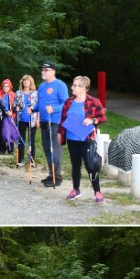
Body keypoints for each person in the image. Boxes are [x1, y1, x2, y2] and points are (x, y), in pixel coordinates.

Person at [57, 75, 108, 203]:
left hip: (87, 139)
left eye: (75, 85)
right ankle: (75, 190)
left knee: (90, 165)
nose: (72, 87)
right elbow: (63, 120)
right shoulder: (68, 102)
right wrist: (60, 134)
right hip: (71, 139)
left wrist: (92, 120)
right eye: (73, 85)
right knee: (75, 165)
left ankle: (97, 191)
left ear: (84, 88)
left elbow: (102, 118)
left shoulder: (93, 101)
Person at [35, 62, 69, 186]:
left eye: (46, 70)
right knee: (47, 149)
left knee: (55, 149)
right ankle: (51, 175)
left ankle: (57, 177)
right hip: (44, 121)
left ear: (53, 71)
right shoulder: (42, 86)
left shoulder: (60, 85)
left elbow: (65, 103)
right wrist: (33, 109)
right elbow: (40, 103)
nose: (43, 72)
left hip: (55, 122)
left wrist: (53, 109)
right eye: (42, 70)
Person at [13, 75, 38, 167]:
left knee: (31, 140)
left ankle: (32, 160)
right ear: (22, 82)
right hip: (21, 119)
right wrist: (16, 107)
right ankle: (20, 160)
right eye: (24, 81)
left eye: (28, 81)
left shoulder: (35, 93)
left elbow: (37, 106)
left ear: (31, 82)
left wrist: (38, 119)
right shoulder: (18, 92)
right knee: (21, 140)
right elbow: (14, 104)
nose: (26, 82)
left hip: (32, 119)